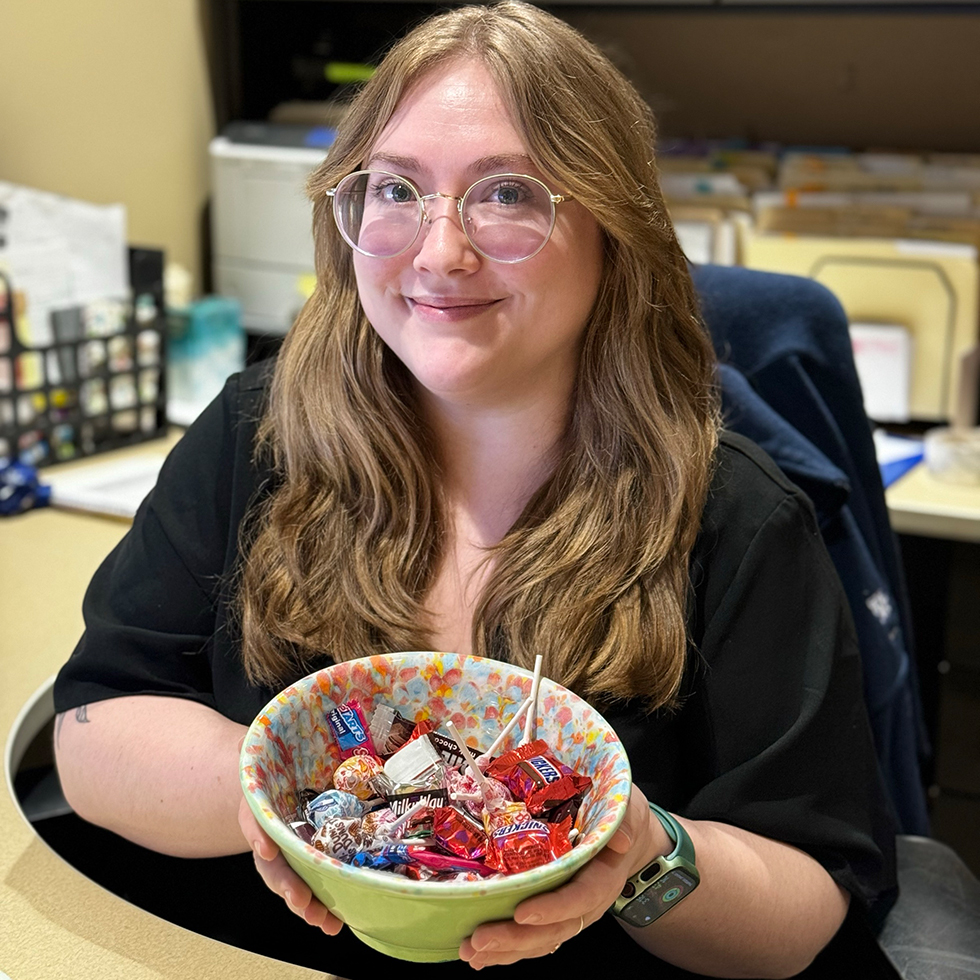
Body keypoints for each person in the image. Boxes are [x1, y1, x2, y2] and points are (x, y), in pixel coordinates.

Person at [52, 3, 898, 977]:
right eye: (395, 188)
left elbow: (804, 906)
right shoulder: (263, 432)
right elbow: (94, 729)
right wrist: (276, 799)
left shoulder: (732, 513)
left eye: (506, 193)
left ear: (612, 228)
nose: (440, 251)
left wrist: (638, 851)